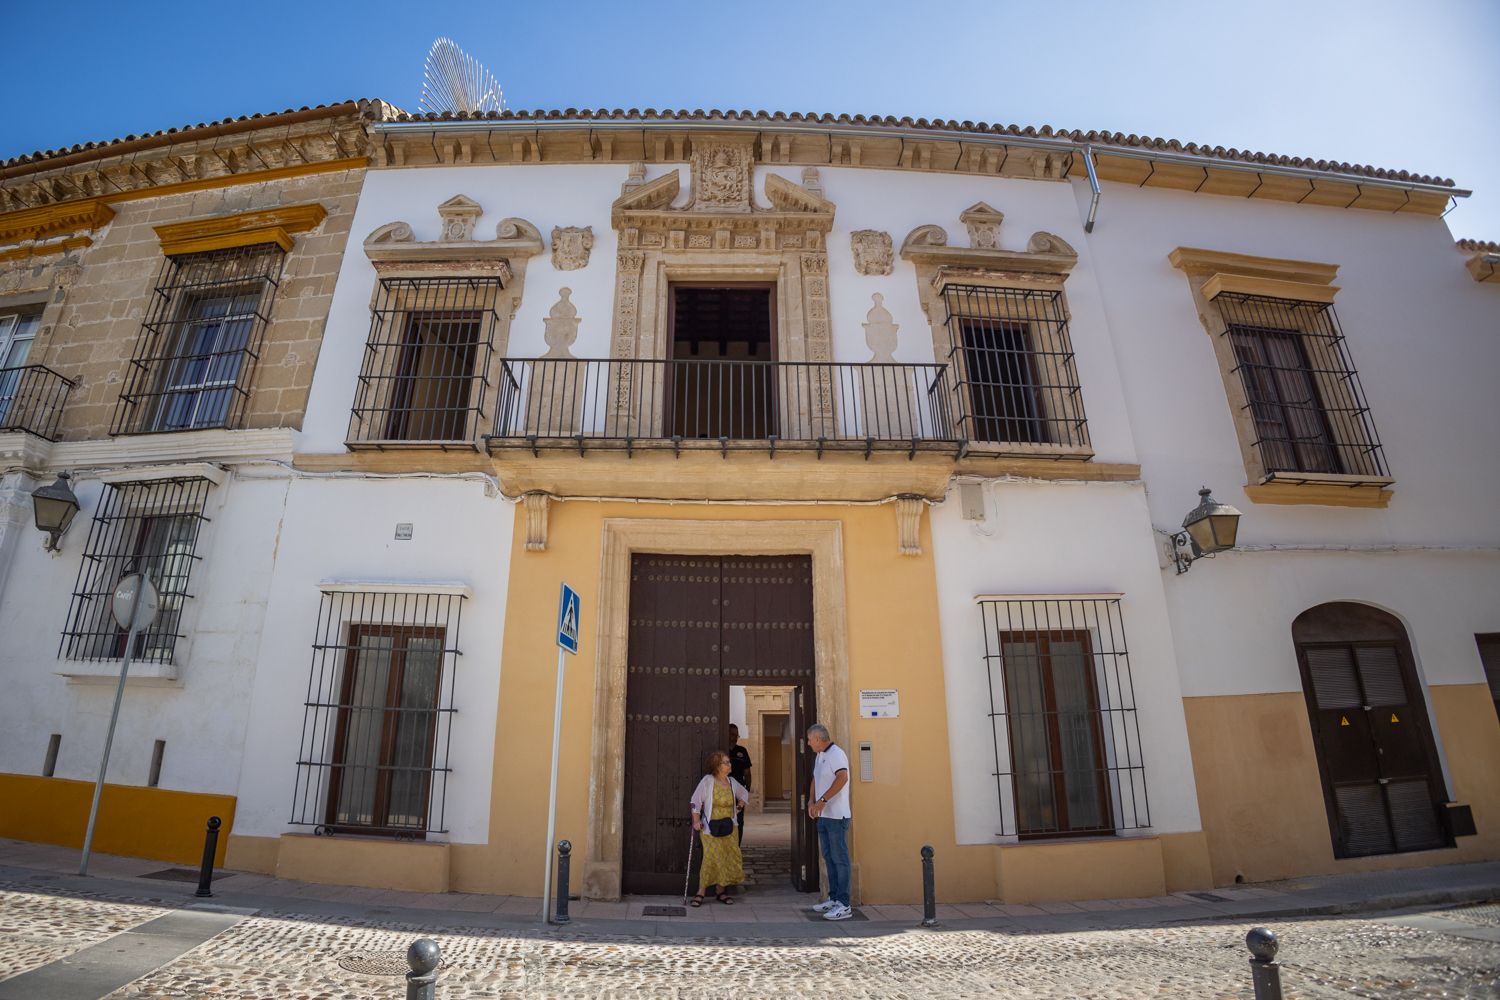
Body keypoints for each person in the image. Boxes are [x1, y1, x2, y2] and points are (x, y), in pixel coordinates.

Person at [688, 749, 750, 907]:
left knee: (726, 860)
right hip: (710, 829)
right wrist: (696, 821)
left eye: (729, 762)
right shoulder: (707, 781)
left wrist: (739, 807)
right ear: (717, 765)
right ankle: (700, 892)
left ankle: (720, 891)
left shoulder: (731, 782)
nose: (730, 765)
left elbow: (744, 794)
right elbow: (695, 801)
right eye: (726, 762)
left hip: (729, 828)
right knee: (710, 859)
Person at [806, 722, 853, 920]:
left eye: (809, 740)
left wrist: (823, 801)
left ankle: (844, 904)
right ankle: (834, 899)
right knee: (829, 858)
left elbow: (842, 777)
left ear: (818, 739)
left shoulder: (836, 754)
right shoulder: (820, 756)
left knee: (840, 859)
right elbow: (816, 779)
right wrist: (811, 801)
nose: (808, 744)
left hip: (836, 816)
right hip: (823, 816)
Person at [727, 724, 753, 843]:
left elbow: (747, 773)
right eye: (732, 734)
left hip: (738, 793)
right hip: (723, 792)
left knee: (739, 820)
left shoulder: (742, 751)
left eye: (736, 735)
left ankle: (737, 846)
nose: (735, 737)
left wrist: (746, 790)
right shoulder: (721, 750)